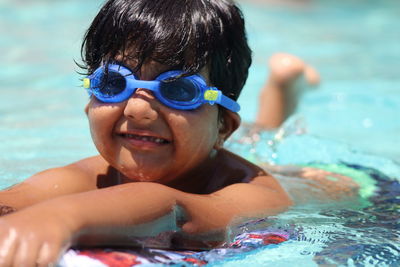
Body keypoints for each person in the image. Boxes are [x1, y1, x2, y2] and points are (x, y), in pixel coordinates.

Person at [0, 0, 357, 266]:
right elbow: (24, 195)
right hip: (213, 145)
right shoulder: (89, 175)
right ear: (88, 104)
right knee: (259, 138)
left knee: (265, 142)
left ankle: (282, 91)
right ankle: (283, 86)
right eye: (112, 83)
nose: (137, 109)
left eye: (179, 90)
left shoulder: (254, 195)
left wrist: (59, 217)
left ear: (222, 126)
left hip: (322, 181)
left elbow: (173, 211)